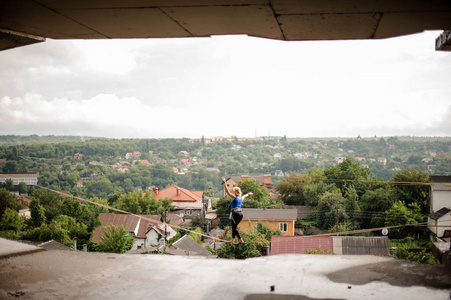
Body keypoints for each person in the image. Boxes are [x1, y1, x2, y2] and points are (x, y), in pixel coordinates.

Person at [222, 177, 252, 244]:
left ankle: (237, 240)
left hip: (235, 214)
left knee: (234, 227)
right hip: (241, 214)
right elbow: (245, 196)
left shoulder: (234, 197)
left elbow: (227, 191)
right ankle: (237, 240)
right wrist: (249, 194)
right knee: (234, 227)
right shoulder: (241, 198)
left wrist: (225, 183)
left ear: (235, 192)